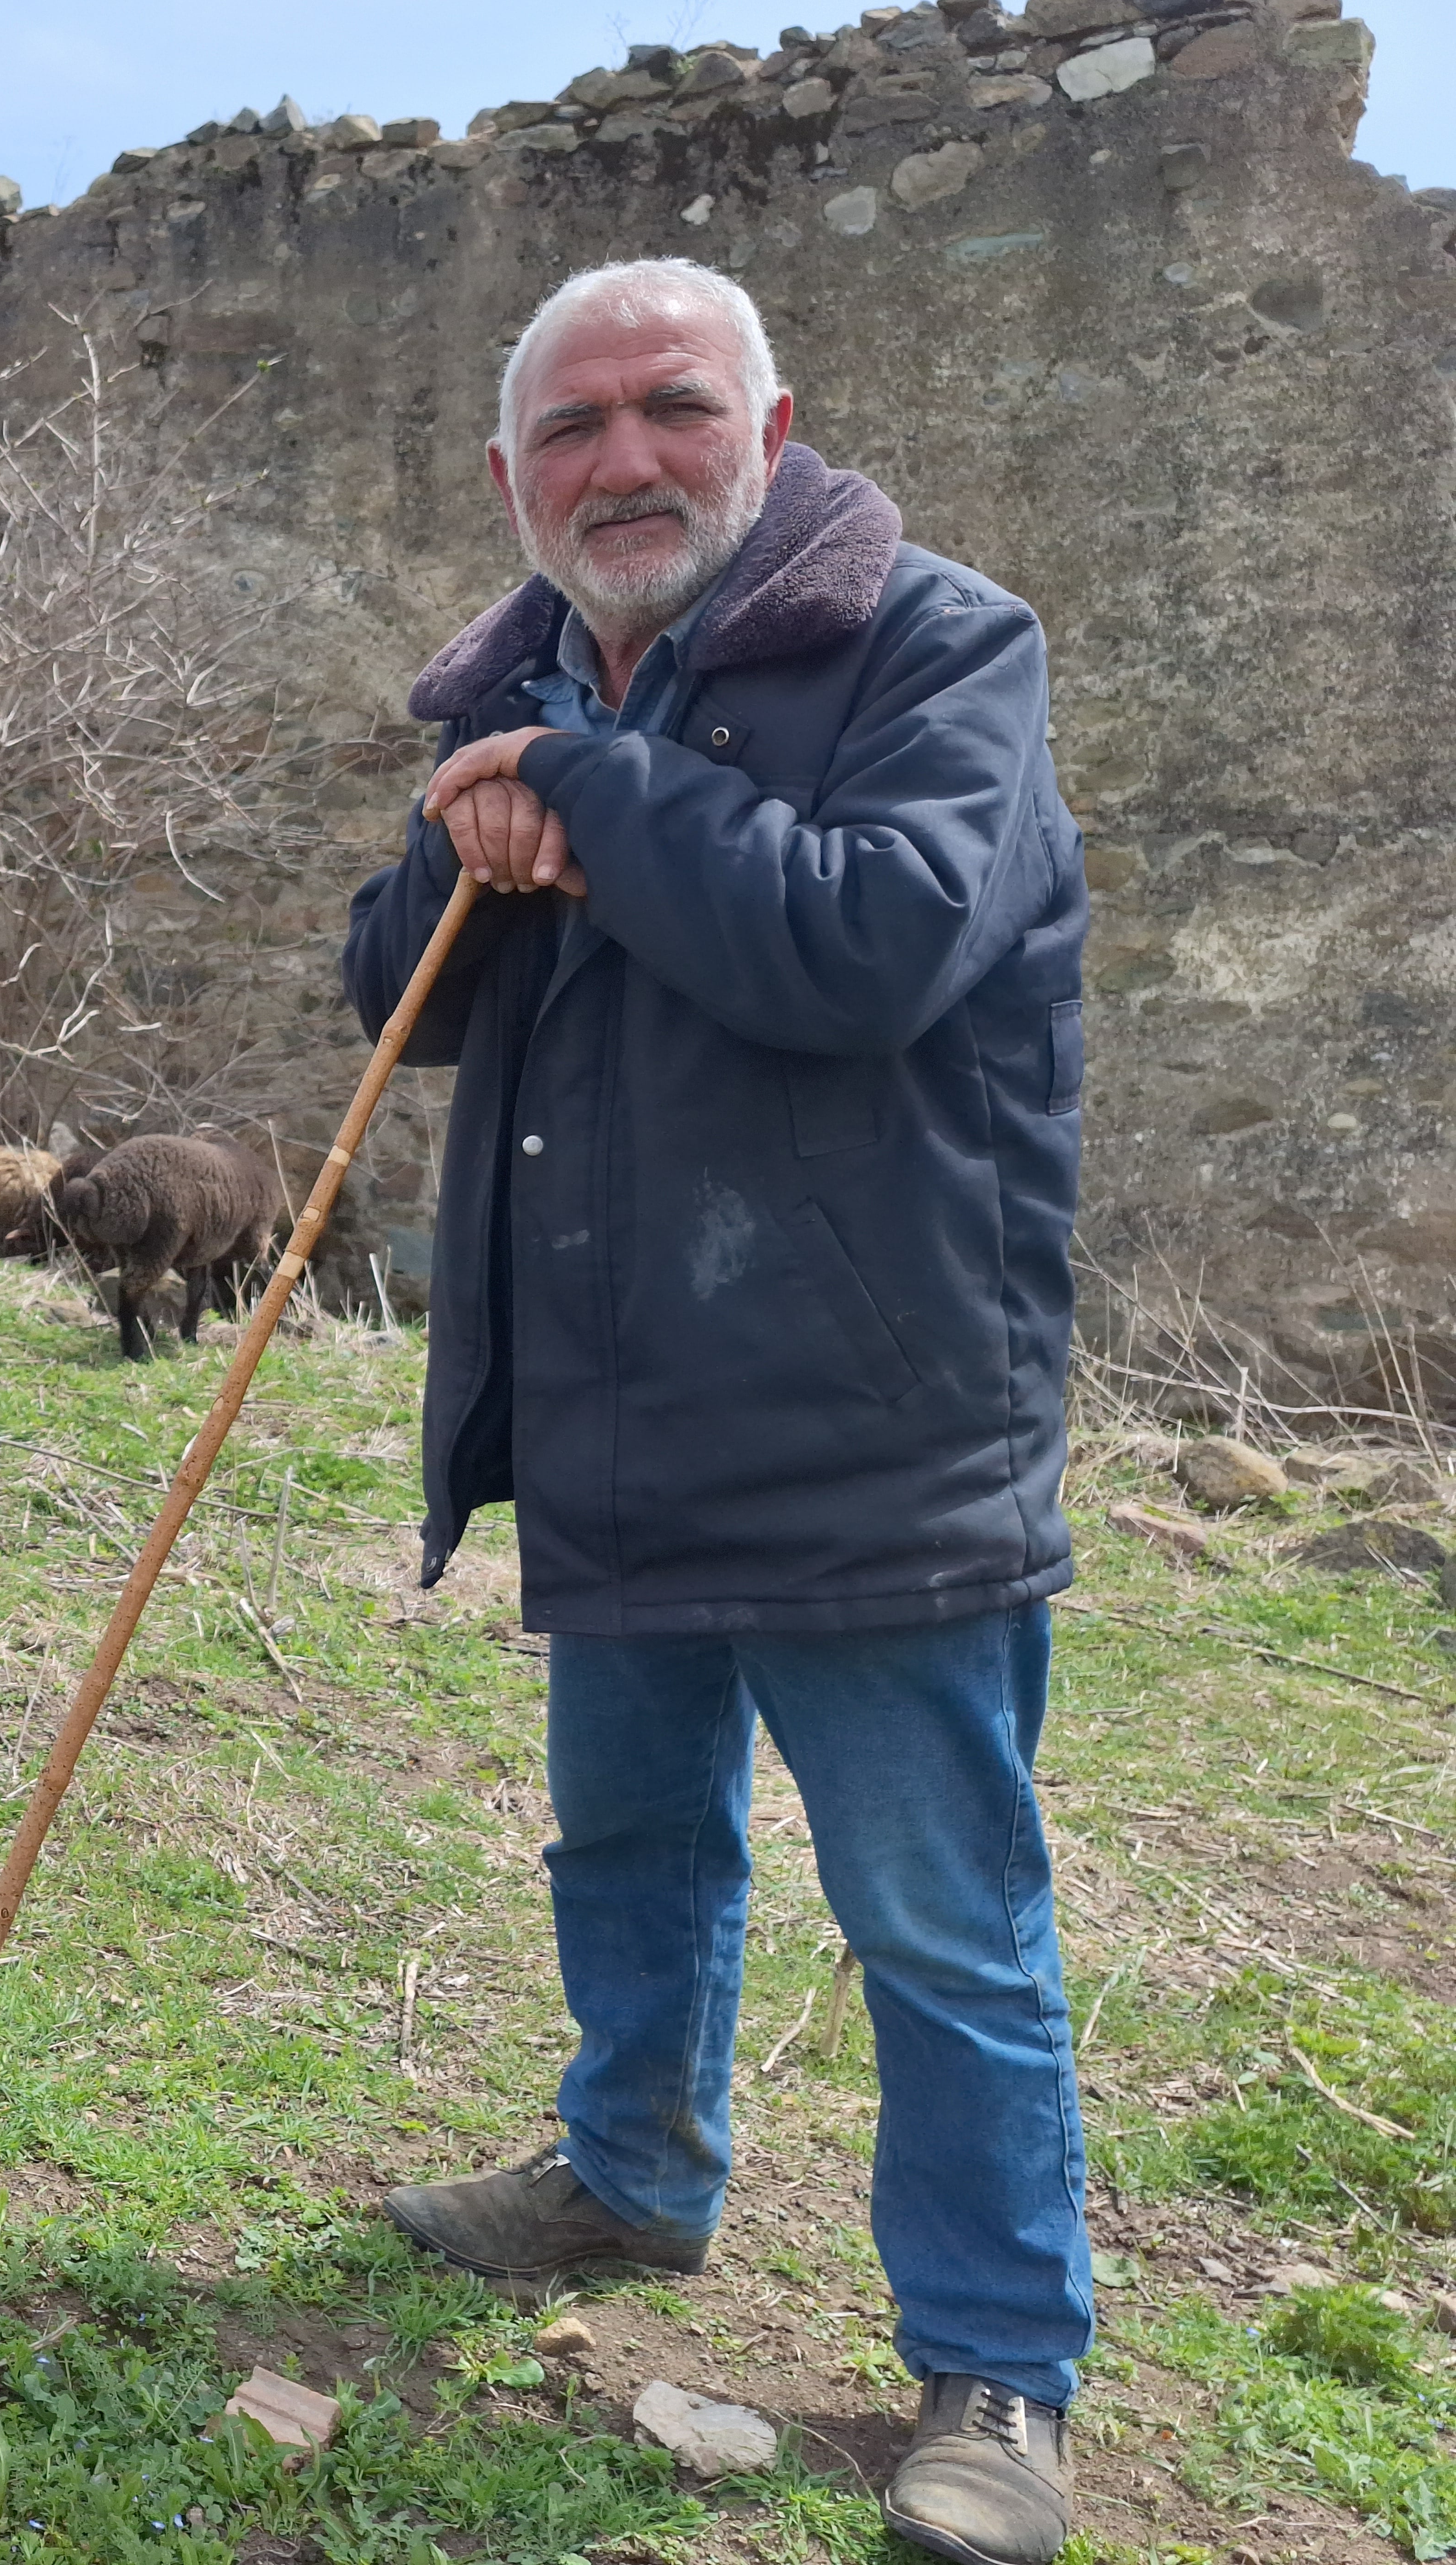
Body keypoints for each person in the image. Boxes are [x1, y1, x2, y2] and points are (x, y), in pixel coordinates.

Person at [339, 257, 1091, 2565]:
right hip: (613, 1392)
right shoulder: (534, 671)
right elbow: (405, 996)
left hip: (875, 1417)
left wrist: (586, 789)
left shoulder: (939, 650)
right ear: (510, 477)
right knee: (632, 1844)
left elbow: (861, 949)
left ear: (773, 425)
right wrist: (479, 834)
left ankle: (995, 2374)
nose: (623, 461)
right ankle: (632, 2173)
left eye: (673, 409)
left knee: (940, 1921)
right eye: (571, 431)